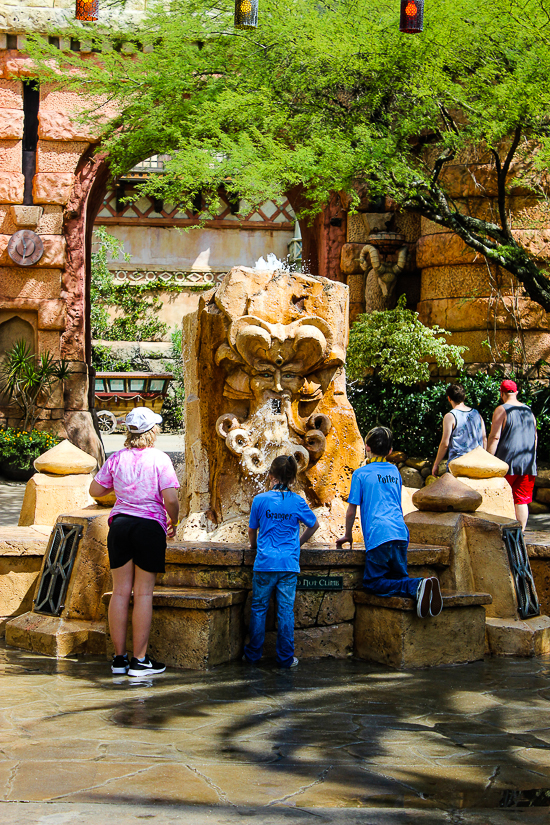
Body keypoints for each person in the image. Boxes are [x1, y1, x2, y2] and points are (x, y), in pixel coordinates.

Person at [90, 407, 180, 677]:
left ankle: (119, 660)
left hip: (119, 526)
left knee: (120, 592)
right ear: (153, 431)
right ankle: (139, 661)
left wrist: (116, 486)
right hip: (148, 526)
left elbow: (95, 489)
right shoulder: (160, 459)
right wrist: (173, 521)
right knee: (142, 594)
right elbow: (171, 499)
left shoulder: (117, 459)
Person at [337, 426, 442, 618]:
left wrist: (348, 534)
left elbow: (352, 510)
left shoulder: (361, 474)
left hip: (379, 536)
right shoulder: (394, 472)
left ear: (366, 447)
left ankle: (418, 584)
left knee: (372, 583)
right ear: (391, 451)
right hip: (400, 533)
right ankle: (420, 588)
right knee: (398, 579)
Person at [243, 455, 319, 668]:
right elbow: (314, 524)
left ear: (271, 476)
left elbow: (251, 530)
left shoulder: (260, 500)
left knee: (258, 608)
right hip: (288, 565)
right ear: (293, 478)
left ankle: (253, 655)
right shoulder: (297, 501)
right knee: (285, 610)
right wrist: (298, 543)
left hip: (265, 563)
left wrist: (254, 546)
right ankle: (285, 658)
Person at [487, 379, 537, 531]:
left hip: (506, 461)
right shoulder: (529, 410)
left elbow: (495, 437)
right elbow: (534, 437)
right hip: (528, 463)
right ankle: (520, 534)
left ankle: (501, 533)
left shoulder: (502, 410)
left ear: (502, 393)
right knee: (521, 500)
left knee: (502, 497)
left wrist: (488, 460)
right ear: (516, 392)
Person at [431, 384, 487, 477]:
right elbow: (484, 439)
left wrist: (436, 463)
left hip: (458, 464)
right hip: (477, 462)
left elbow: (445, 444)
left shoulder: (450, 416)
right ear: (464, 397)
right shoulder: (476, 413)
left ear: (449, 398)